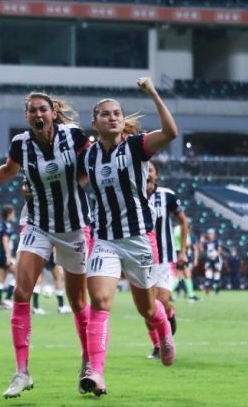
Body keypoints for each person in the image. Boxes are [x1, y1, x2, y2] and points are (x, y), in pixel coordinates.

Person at [0, 91, 92, 398]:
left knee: (77, 302)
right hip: (36, 224)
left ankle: (89, 364)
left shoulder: (73, 136)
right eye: (32, 110)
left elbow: (91, 168)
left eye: (43, 109)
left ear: (52, 113)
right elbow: (9, 170)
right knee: (21, 292)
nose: (38, 114)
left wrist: (73, 185)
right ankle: (22, 372)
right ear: (27, 117)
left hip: (73, 227)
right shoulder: (21, 144)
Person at [80, 77, 178, 396]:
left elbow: (171, 133)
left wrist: (152, 94)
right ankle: (96, 373)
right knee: (100, 300)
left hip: (138, 239)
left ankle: (163, 331)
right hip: (105, 238)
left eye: (117, 113)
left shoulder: (136, 147)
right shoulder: (89, 156)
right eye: (106, 114)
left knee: (147, 310)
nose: (113, 117)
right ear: (94, 122)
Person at [144, 161, 188, 359]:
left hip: (165, 257)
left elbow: (183, 221)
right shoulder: (131, 194)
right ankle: (156, 345)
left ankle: (169, 314)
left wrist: (183, 251)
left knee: (161, 301)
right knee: (147, 306)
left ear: (156, 175)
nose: (147, 173)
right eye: (144, 170)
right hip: (142, 258)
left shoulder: (167, 195)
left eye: (150, 170)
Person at [0, 205, 17, 310]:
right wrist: (9, 257)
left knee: (1, 279)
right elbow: (5, 241)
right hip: (3, 255)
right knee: (19, 275)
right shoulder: (6, 226)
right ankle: (7, 299)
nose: (14, 215)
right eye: (13, 213)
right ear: (9, 214)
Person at [172, 223, 200, 302]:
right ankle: (167, 294)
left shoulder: (176, 228)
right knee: (178, 275)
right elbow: (186, 243)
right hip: (182, 253)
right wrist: (191, 245)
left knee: (187, 275)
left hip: (177, 252)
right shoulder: (183, 230)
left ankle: (191, 296)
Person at [201, 228, 223, 294]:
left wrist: (215, 256)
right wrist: (201, 242)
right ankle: (208, 286)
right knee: (208, 272)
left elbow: (219, 250)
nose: (210, 235)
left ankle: (217, 286)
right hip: (208, 259)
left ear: (214, 234)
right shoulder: (206, 242)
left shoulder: (217, 241)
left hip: (216, 259)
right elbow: (202, 250)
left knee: (217, 272)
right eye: (209, 234)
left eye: (211, 234)